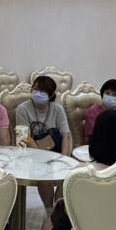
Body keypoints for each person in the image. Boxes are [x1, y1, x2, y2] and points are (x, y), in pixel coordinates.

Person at [14, 75, 72, 210]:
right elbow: (24, 138)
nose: (37, 93)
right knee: (44, 176)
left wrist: (64, 159)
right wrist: (44, 157)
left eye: (42, 91)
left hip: (55, 153)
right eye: (35, 89)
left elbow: (66, 135)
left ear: (51, 95)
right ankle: (49, 210)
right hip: (32, 154)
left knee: (68, 176)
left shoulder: (57, 109)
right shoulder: (22, 109)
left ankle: (58, 209)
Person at [83, 79, 116, 143]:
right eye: (107, 93)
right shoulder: (92, 112)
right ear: (102, 94)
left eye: (114, 94)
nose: (110, 96)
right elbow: (92, 137)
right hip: (97, 145)